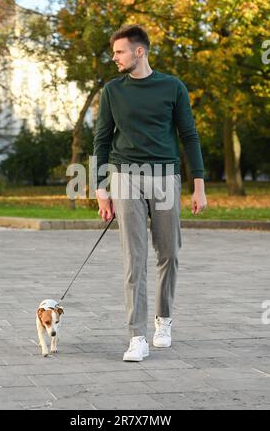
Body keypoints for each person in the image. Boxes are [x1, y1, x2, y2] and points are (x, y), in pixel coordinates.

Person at [93, 24, 207, 361]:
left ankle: (164, 319)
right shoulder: (112, 91)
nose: (114, 58)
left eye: (119, 52)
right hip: (125, 175)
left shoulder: (172, 87)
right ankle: (136, 336)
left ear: (139, 51)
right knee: (134, 257)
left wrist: (198, 184)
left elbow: (189, 135)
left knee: (169, 253)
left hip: (165, 175)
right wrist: (100, 187)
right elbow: (101, 139)